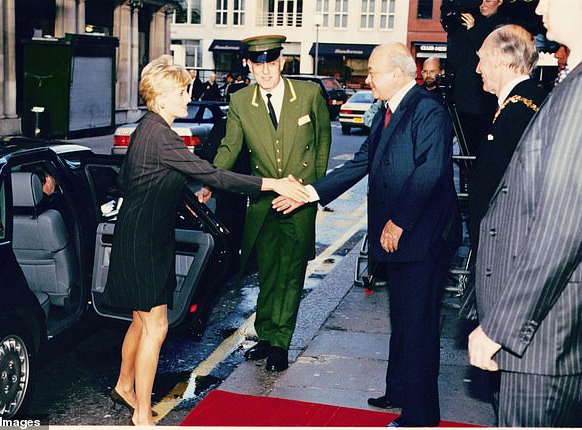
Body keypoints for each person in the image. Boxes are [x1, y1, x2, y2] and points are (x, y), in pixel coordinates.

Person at [101, 60, 309, 426]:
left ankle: (123, 385)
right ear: (163, 97)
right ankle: (142, 414)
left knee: (140, 320)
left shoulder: (147, 129)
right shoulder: (161, 136)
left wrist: (185, 193)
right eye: (182, 92)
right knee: (156, 326)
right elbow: (214, 174)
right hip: (146, 241)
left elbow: (141, 181)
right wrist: (272, 184)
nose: (188, 98)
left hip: (140, 236)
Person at [274, 42, 460, 426]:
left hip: (422, 237)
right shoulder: (386, 113)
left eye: (373, 72)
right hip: (398, 237)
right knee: (402, 316)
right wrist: (309, 194)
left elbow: (430, 172)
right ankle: (399, 390)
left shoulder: (428, 111)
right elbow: (361, 163)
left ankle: (421, 416)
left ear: (398, 73)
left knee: (419, 324)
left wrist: (400, 221)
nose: (368, 79)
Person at [468, 0, 582, 426]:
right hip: (546, 331)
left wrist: (501, 325)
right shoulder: (566, 86)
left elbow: (562, 226)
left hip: (540, 341)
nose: (539, 4)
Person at [199, 34, 331, 372]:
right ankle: (266, 334)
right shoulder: (242, 101)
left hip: (298, 200)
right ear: (248, 65)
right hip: (262, 201)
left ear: (281, 62)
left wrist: (307, 190)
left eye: (271, 63)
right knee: (267, 270)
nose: (266, 71)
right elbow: (230, 147)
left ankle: (280, 344)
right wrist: (210, 182)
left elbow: (321, 146)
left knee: (290, 272)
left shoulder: (309, 94)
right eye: (258, 65)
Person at [468, 24, 547, 252]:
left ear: (499, 58)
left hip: (508, 248)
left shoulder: (518, 111)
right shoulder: (528, 100)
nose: (477, 69)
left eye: (481, 59)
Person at [443, 0, 506, 189]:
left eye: (488, 0)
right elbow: (455, 57)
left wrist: (473, 30)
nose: (483, 4)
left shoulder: (501, 24)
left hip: (482, 102)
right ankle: (466, 188)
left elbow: (493, 53)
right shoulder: (469, 23)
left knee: (480, 151)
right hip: (462, 98)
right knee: (462, 150)